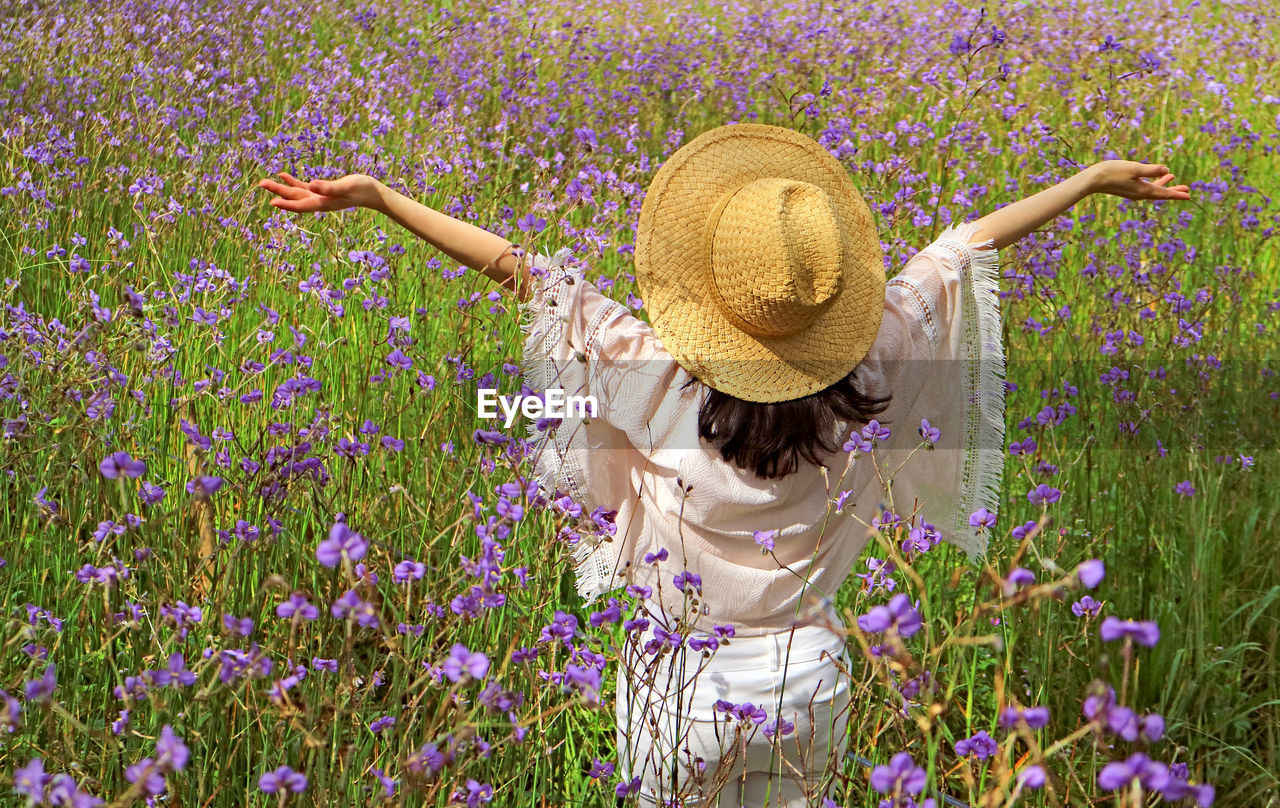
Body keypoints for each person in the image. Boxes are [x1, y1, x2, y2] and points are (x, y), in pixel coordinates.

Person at [257, 124, 1190, 807]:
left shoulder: (651, 374)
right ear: (821, 304)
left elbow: (518, 269)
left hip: (678, 681)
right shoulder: (873, 366)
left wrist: (379, 198)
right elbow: (965, 246)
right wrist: (1091, 178)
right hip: (811, 679)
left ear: (709, 296)